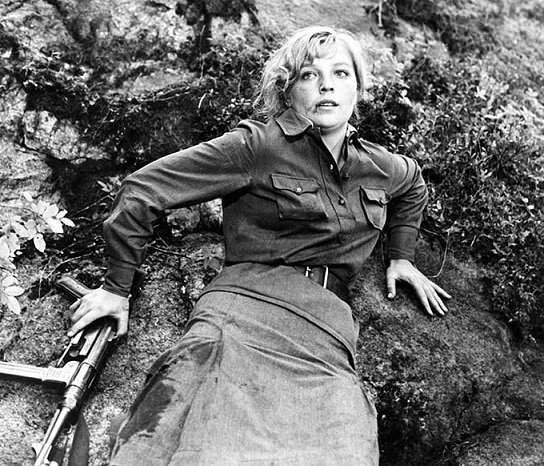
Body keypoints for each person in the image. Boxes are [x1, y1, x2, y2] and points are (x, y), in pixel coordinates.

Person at [68, 25, 451, 465]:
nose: (326, 85)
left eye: (340, 73)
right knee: (186, 445)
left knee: (343, 451)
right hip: (240, 315)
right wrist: (117, 288)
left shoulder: (378, 165)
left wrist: (402, 256)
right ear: (288, 90)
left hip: (323, 335)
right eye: (309, 75)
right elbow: (143, 190)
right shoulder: (256, 145)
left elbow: (413, 185)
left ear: (358, 88)